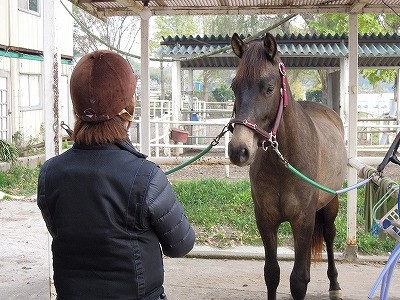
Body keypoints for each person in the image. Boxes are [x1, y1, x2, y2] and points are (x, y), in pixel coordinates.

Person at [37, 50, 195, 300]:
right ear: (128, 107)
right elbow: (181, 245)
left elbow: (60, 232)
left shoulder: (50, 173)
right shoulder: (146, 176)